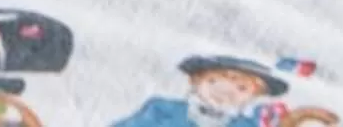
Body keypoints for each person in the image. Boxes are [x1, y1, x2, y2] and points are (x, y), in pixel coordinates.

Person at [112, 55, 298, 127]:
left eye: (241, 88)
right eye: (213, 81)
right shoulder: (162, 110)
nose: (225, 92)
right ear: (196, 81)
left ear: (254, 95)